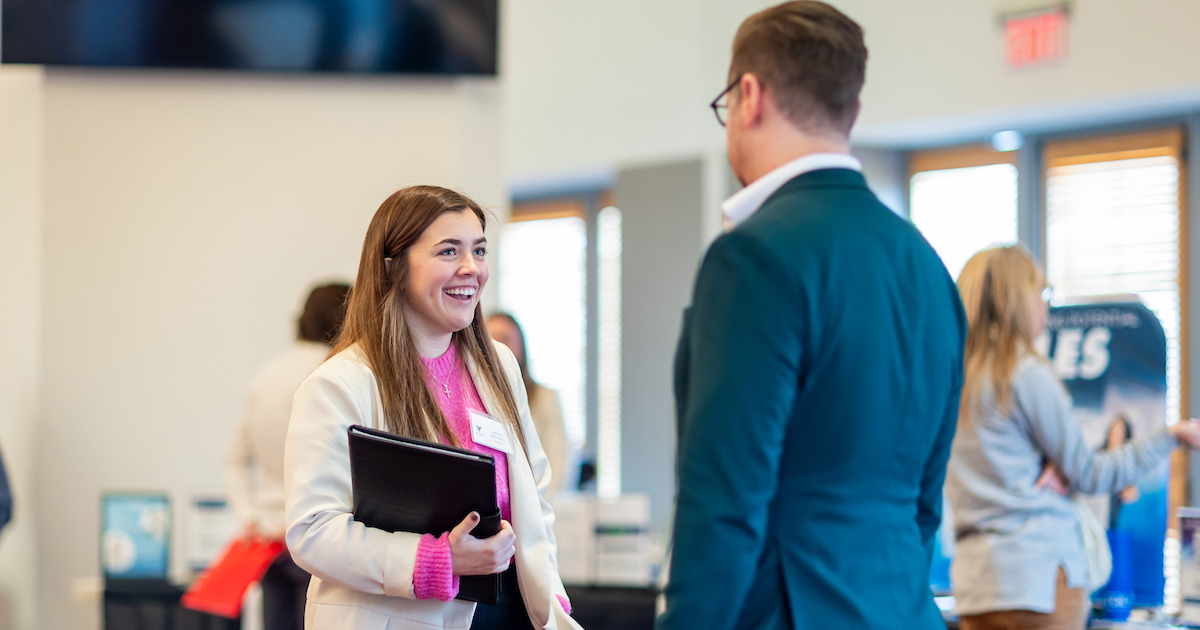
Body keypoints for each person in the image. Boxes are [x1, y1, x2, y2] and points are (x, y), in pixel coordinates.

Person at [659, 3, 967, 629]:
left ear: (749, 96)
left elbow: (724, 503)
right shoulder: (929, 268)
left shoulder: (754, 256)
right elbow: (922, 505)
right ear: (850, 110)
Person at [284, 186, 580, 630]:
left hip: (512, 612)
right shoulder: (340, 384)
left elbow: (533, 494)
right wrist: (435, 560)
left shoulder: (498, 363)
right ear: (393, 268)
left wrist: (549, 587)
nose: (471, 269)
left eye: (479, 251)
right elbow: (313, 531)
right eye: (448, 251)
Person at [945, 246, 1200, 630]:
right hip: (1041, 582)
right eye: (1042, 294)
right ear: (1019, 298)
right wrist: (1171, 436)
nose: (1045, 309)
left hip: (976, 588)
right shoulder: (1025, 372)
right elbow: (1091, 474)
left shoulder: (952, 380)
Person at [226, 282, 351, 630]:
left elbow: (234, 458)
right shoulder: (333, 373)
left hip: (267, 540)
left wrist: (250, 517)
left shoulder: (265, 375)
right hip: (314, 535)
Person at [486, 312, 572, 493]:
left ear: (521, 346)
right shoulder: (476, 398)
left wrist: (538, 514)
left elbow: (558, 465)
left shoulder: (544, 397)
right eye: (490, 339)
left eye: (505, 339)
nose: (497, 348)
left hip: (536, 507)